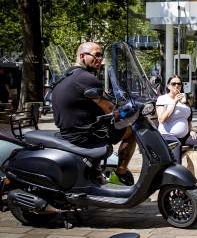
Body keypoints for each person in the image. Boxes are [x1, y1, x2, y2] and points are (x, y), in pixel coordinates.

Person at [52, 42, 136, 185]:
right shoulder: (85, 78)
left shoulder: (67, 75)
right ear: (82, 56)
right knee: (131, 131)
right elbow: (109, 109)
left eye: (101, 55)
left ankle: (95, 170)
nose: (100, 59)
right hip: (85, 134)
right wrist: (128, 116)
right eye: (96, 55)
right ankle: (120, 175)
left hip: (70, 131)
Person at [156, 75, 197, 165]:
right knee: (176, 145)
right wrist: (174, 102)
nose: (176, 86)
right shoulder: (163, 99)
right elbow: (162, 119)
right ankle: (176, 174)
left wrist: (191, 130)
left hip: (185, 136)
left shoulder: (184, 99)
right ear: (168, 86)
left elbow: (188, 118)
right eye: (173, 84)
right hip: (167, 135)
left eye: (179, 84)